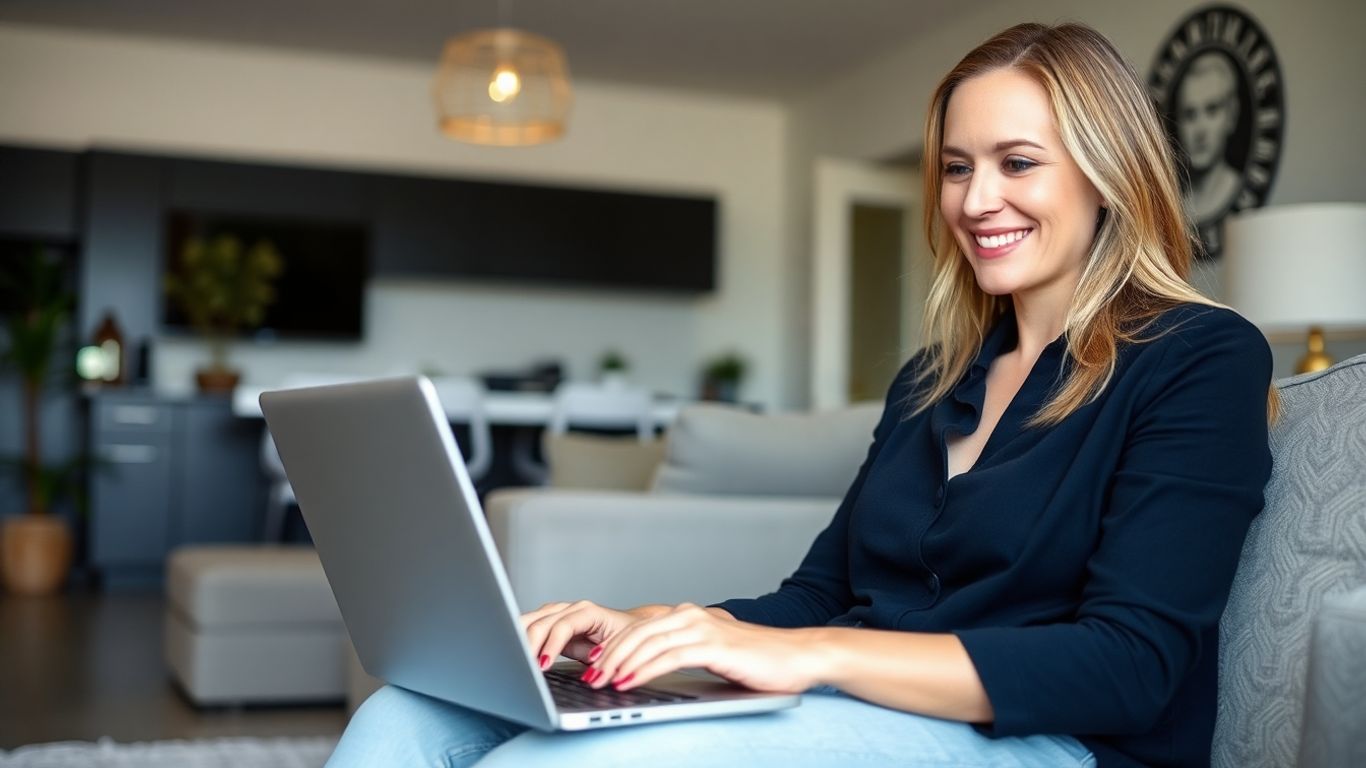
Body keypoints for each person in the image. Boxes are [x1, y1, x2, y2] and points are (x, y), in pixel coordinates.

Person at [328, 21, 1275, 768]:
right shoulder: (934, 379)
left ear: (1109, 175)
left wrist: (815, 658)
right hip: (861, 703)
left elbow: (1132, 666)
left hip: (1055, 744)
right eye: (956, 166)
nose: (976, 199)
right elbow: (820, 592)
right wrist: (651, 625)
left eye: (1017, 162)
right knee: (410, 714)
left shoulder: (1198, 357)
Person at [1176, 52, 1243, 223]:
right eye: (1190, 115)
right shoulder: (1175, 204)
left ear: (1231, 116)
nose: (1200, 131)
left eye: (1212, 110)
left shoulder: (1237, 187)